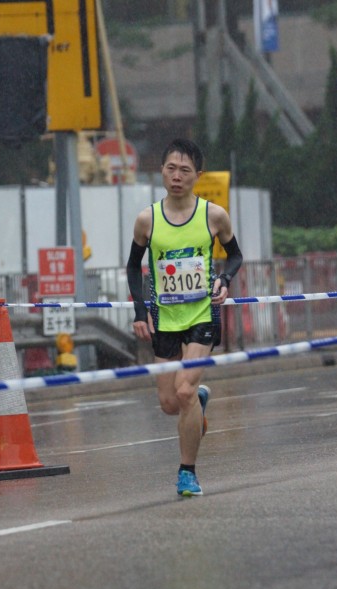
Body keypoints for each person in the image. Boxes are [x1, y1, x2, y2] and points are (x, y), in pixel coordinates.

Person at [127, 138, 242, 497]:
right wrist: (140, 311)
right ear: (162, 171)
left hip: (202, 315)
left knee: (183, 390)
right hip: (165, 317)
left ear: (198, 175)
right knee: (169, 404)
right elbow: (133, 267)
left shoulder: (213, 215)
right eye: (171, 169)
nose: (177, 176)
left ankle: (187, 473)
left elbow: (235, 256)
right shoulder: (147, 219)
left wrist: (224, 280)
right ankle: (198, 400)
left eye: (185, 170)